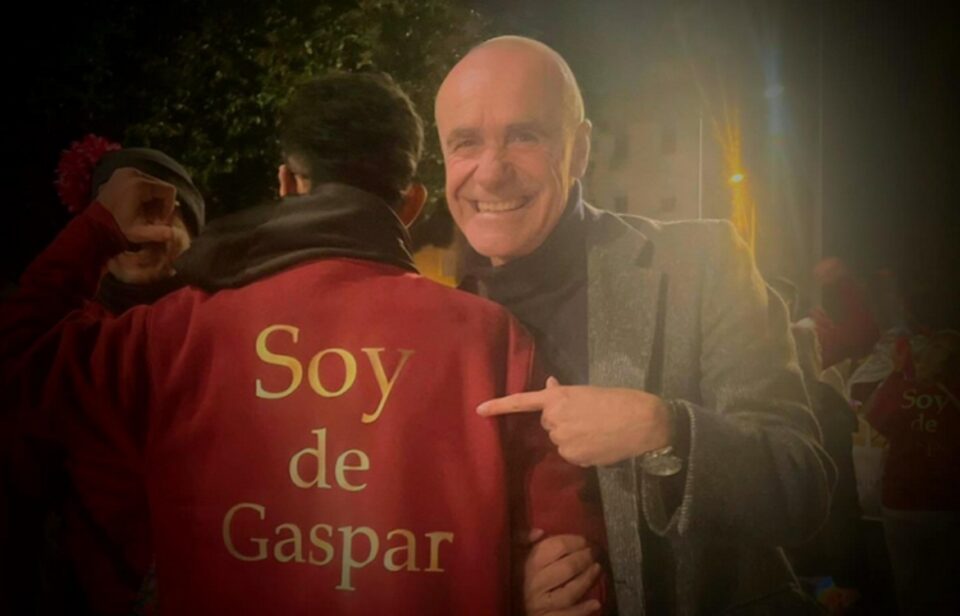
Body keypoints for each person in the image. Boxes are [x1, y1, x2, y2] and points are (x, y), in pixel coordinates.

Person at [0, 72, 605, 614]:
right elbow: (572, 568)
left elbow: (18, 363)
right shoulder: (494, 340)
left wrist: (101, 228)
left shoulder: (177, 333)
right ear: (412, 203)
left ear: (287, 182)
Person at [435, 36, 834, 614]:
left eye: (524, 136)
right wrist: (501, 589)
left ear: (579, 151)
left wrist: (664, 429)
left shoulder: (701, 264)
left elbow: (800, 488)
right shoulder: (436, 325)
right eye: (465, 142)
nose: (491, 173)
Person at [1, 138, 204, 613]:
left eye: (163, 209)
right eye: (128, 211)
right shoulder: (73, 340)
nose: (143, 227)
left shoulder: (221, 329)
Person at [865, 329, 960, 615]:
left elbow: (872, 415)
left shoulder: (901, 389)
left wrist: (896, 372)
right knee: (945, 584)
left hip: (900, 501)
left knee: (907, 584)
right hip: (947, 503)